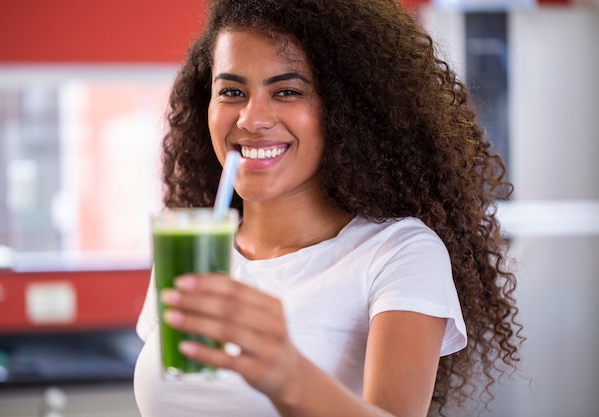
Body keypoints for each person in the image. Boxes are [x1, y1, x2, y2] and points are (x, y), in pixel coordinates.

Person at [133, 0, 523, 416]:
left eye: (287, 91)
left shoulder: (400, 252)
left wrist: (287, 376)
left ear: (345, 110)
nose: (252, 118)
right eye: (232, 91)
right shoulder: (191, 247)